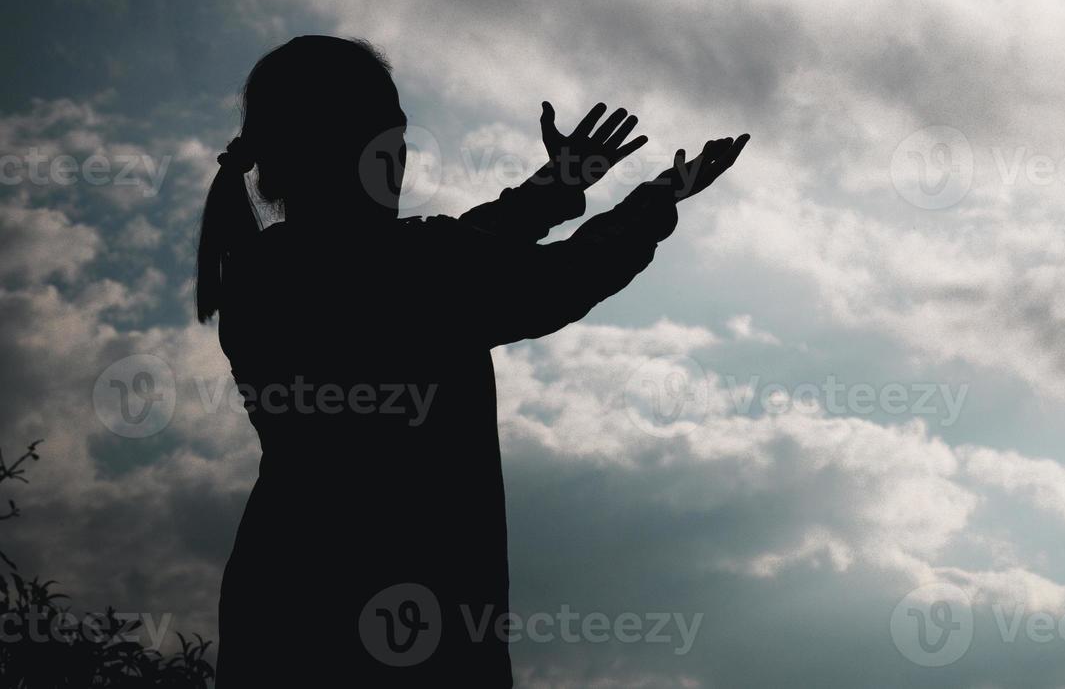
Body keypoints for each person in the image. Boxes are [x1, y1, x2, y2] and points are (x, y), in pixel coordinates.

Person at [195, 35, 746, 686]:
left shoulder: (263, 271)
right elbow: (554, 277)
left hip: (281, 607)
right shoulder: (413, 263)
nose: (401, 154)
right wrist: (656, 200)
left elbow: (470, 245)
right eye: (390, 134)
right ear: (358, 149)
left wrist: (563, 181)